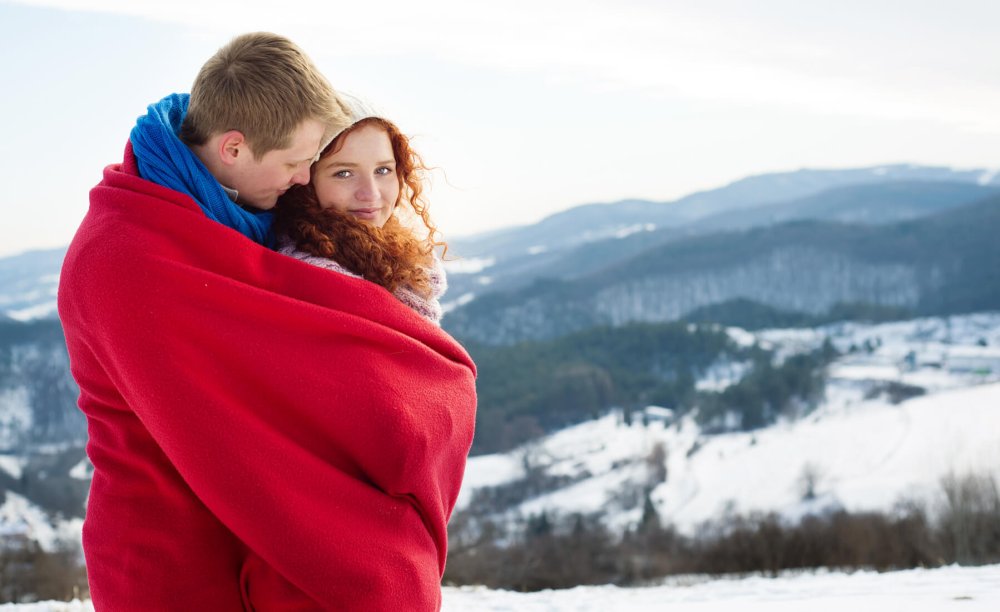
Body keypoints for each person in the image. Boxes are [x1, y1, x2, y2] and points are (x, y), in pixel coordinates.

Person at [58, 33, 477, 611]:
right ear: (233, 147)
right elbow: (266, 405)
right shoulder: (129, 254)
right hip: (176, 565)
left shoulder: (224, 203)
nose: (306, 181)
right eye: (298, 163)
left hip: (249, 546)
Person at [274, 114, 447, 324]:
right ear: (306, 183)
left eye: (383, 170)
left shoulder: (406, 258)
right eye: (344, 173)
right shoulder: (312, 281)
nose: (371, 194)